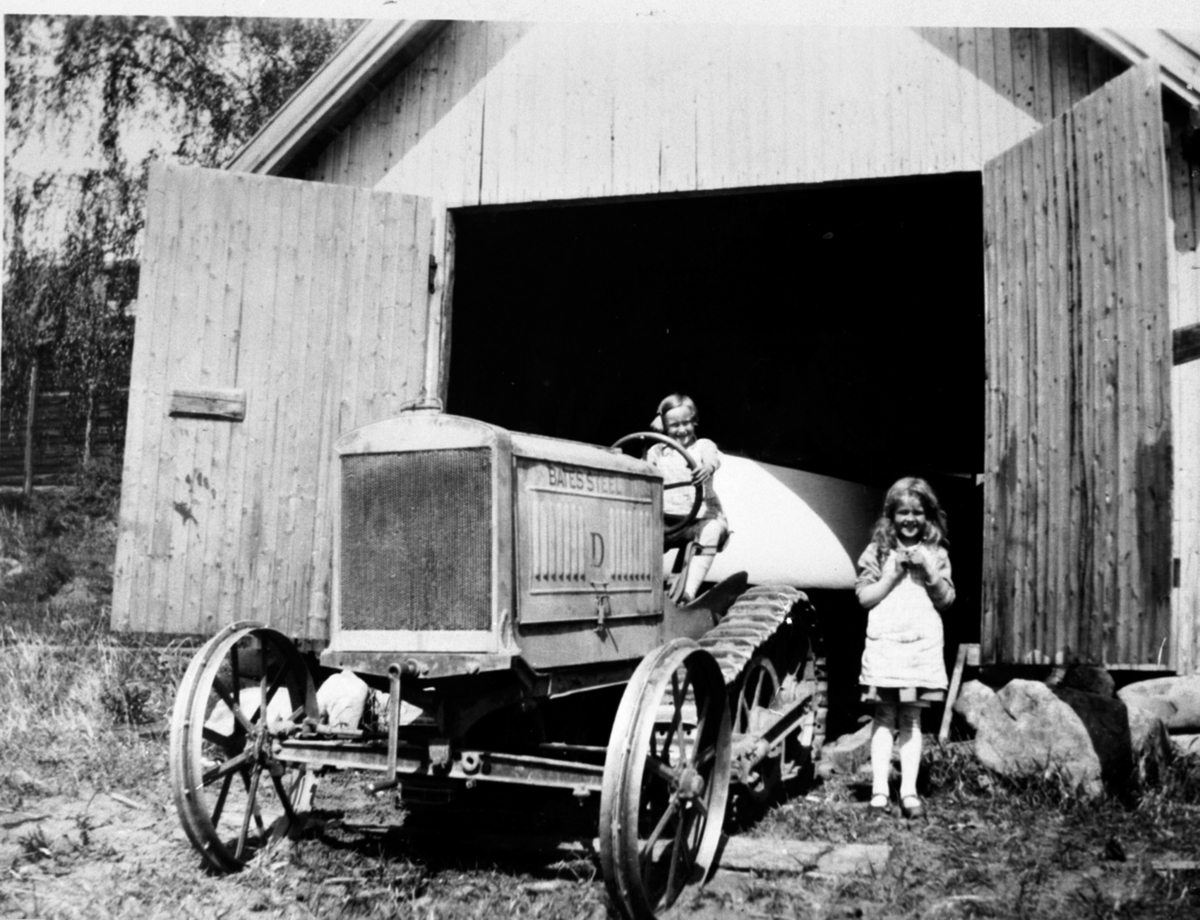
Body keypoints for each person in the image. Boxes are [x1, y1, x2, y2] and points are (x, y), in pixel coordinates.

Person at [855, 477, 955, 819]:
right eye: (902, 513)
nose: (910, 519)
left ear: (928, 516)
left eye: (917, 512)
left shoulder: (937, 553)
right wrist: (889, 576)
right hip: (886, 646)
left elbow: (946, 601)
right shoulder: (878, 550)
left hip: (920, 647)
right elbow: (864, 598)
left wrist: (929, 568)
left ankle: (909, 792)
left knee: (911, 717)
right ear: (890, 515)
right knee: (884, 715)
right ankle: (880, 792)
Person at [645, 393, 728, 603]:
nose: (681, 430)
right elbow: (645, 470)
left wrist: (707, 468)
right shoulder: (657, 451)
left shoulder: (702, 446)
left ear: (694, 421)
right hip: (666, 523)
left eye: (686, 423)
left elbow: (713, 459)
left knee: (712, 530)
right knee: (639, 533)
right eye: (674, 425)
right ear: (663, 426)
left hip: (698, 519)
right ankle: (640, 590)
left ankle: (688, 592)